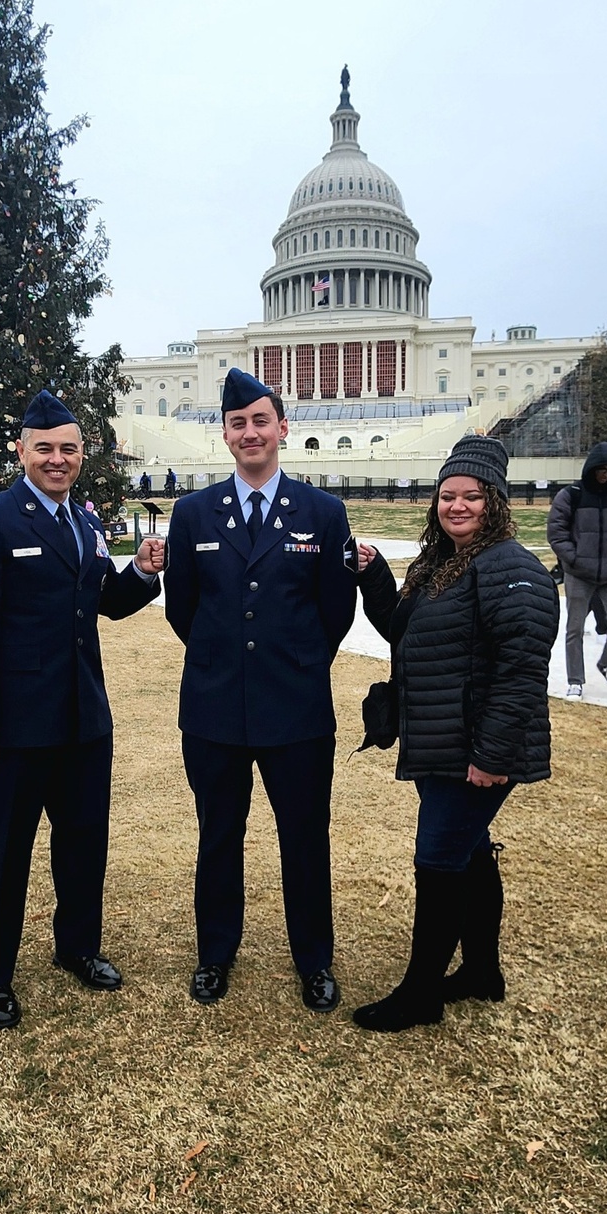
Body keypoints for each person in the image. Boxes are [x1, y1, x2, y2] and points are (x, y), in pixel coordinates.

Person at [0, 389, 165, 1030]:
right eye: (45, 448)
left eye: (68, 448)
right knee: (4, 852)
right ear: (21, 451)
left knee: (83, 843)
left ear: (82, 454)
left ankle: (78, 948)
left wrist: (144, 574)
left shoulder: (86, 523)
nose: (57, 459)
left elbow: (105, 601)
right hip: (15, 724)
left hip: (84, 719)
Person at [164, 369, 358, 1012]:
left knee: (305, 838)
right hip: (216, 706)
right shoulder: (193, 512)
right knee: (218, 834)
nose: (250, 433)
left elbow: (336, 610)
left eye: (260, 421)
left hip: (296, 708)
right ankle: (215, 953)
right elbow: (182, 610)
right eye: (237, 423)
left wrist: (296, 664)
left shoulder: (324, 513)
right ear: (225, 434)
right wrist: (225, 662)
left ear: (282, 428)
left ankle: (314, 960)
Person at [351, 435, 559, 1032]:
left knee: (439, 860)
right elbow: (398, 627)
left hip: (475, 748)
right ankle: (481, 971)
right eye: (448, 495)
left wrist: (492, 755)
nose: (458, 505)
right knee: (468, 855)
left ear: (495, 502)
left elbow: (522, 672)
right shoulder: (443, 563)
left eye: (472, 496)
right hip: (443, 739)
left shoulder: (509, 567)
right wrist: (374, 577)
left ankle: (421, 995)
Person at [546, 443, 607, 697]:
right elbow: (557, 532)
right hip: (579, 573)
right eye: (602, 469)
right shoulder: (571, 495)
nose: (606, 474)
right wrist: (573, 559)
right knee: (574, 628)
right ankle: (575, 679)